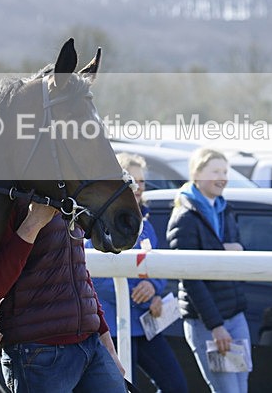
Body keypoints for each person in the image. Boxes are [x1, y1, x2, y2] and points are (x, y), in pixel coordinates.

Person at [0, 198, 127, 393]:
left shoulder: (71, 196)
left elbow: (80, 275)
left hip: (90, 345)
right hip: (37, 351)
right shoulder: (7, 196)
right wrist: (33, 223)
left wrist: (107, 346)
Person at [87, 153, 189, 393]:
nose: (140, 187)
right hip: (112, 326)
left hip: (144, 325)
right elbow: (93, 276)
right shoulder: (98, 223)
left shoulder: (147, 224)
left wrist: (154, 287)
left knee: (176, 386)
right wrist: (135, 290)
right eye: (134, 180)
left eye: (143, 181)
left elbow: (156, 266)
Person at [166, 147, 250, 393]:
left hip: (235, 315)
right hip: (207, 322)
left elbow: (235, 254)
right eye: (215, 171)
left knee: (241, 389)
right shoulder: (184, 217)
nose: (222, 177)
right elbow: (190, 278)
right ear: (197, 173)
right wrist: (216, 325)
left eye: (225, 171)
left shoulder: (226, 209)